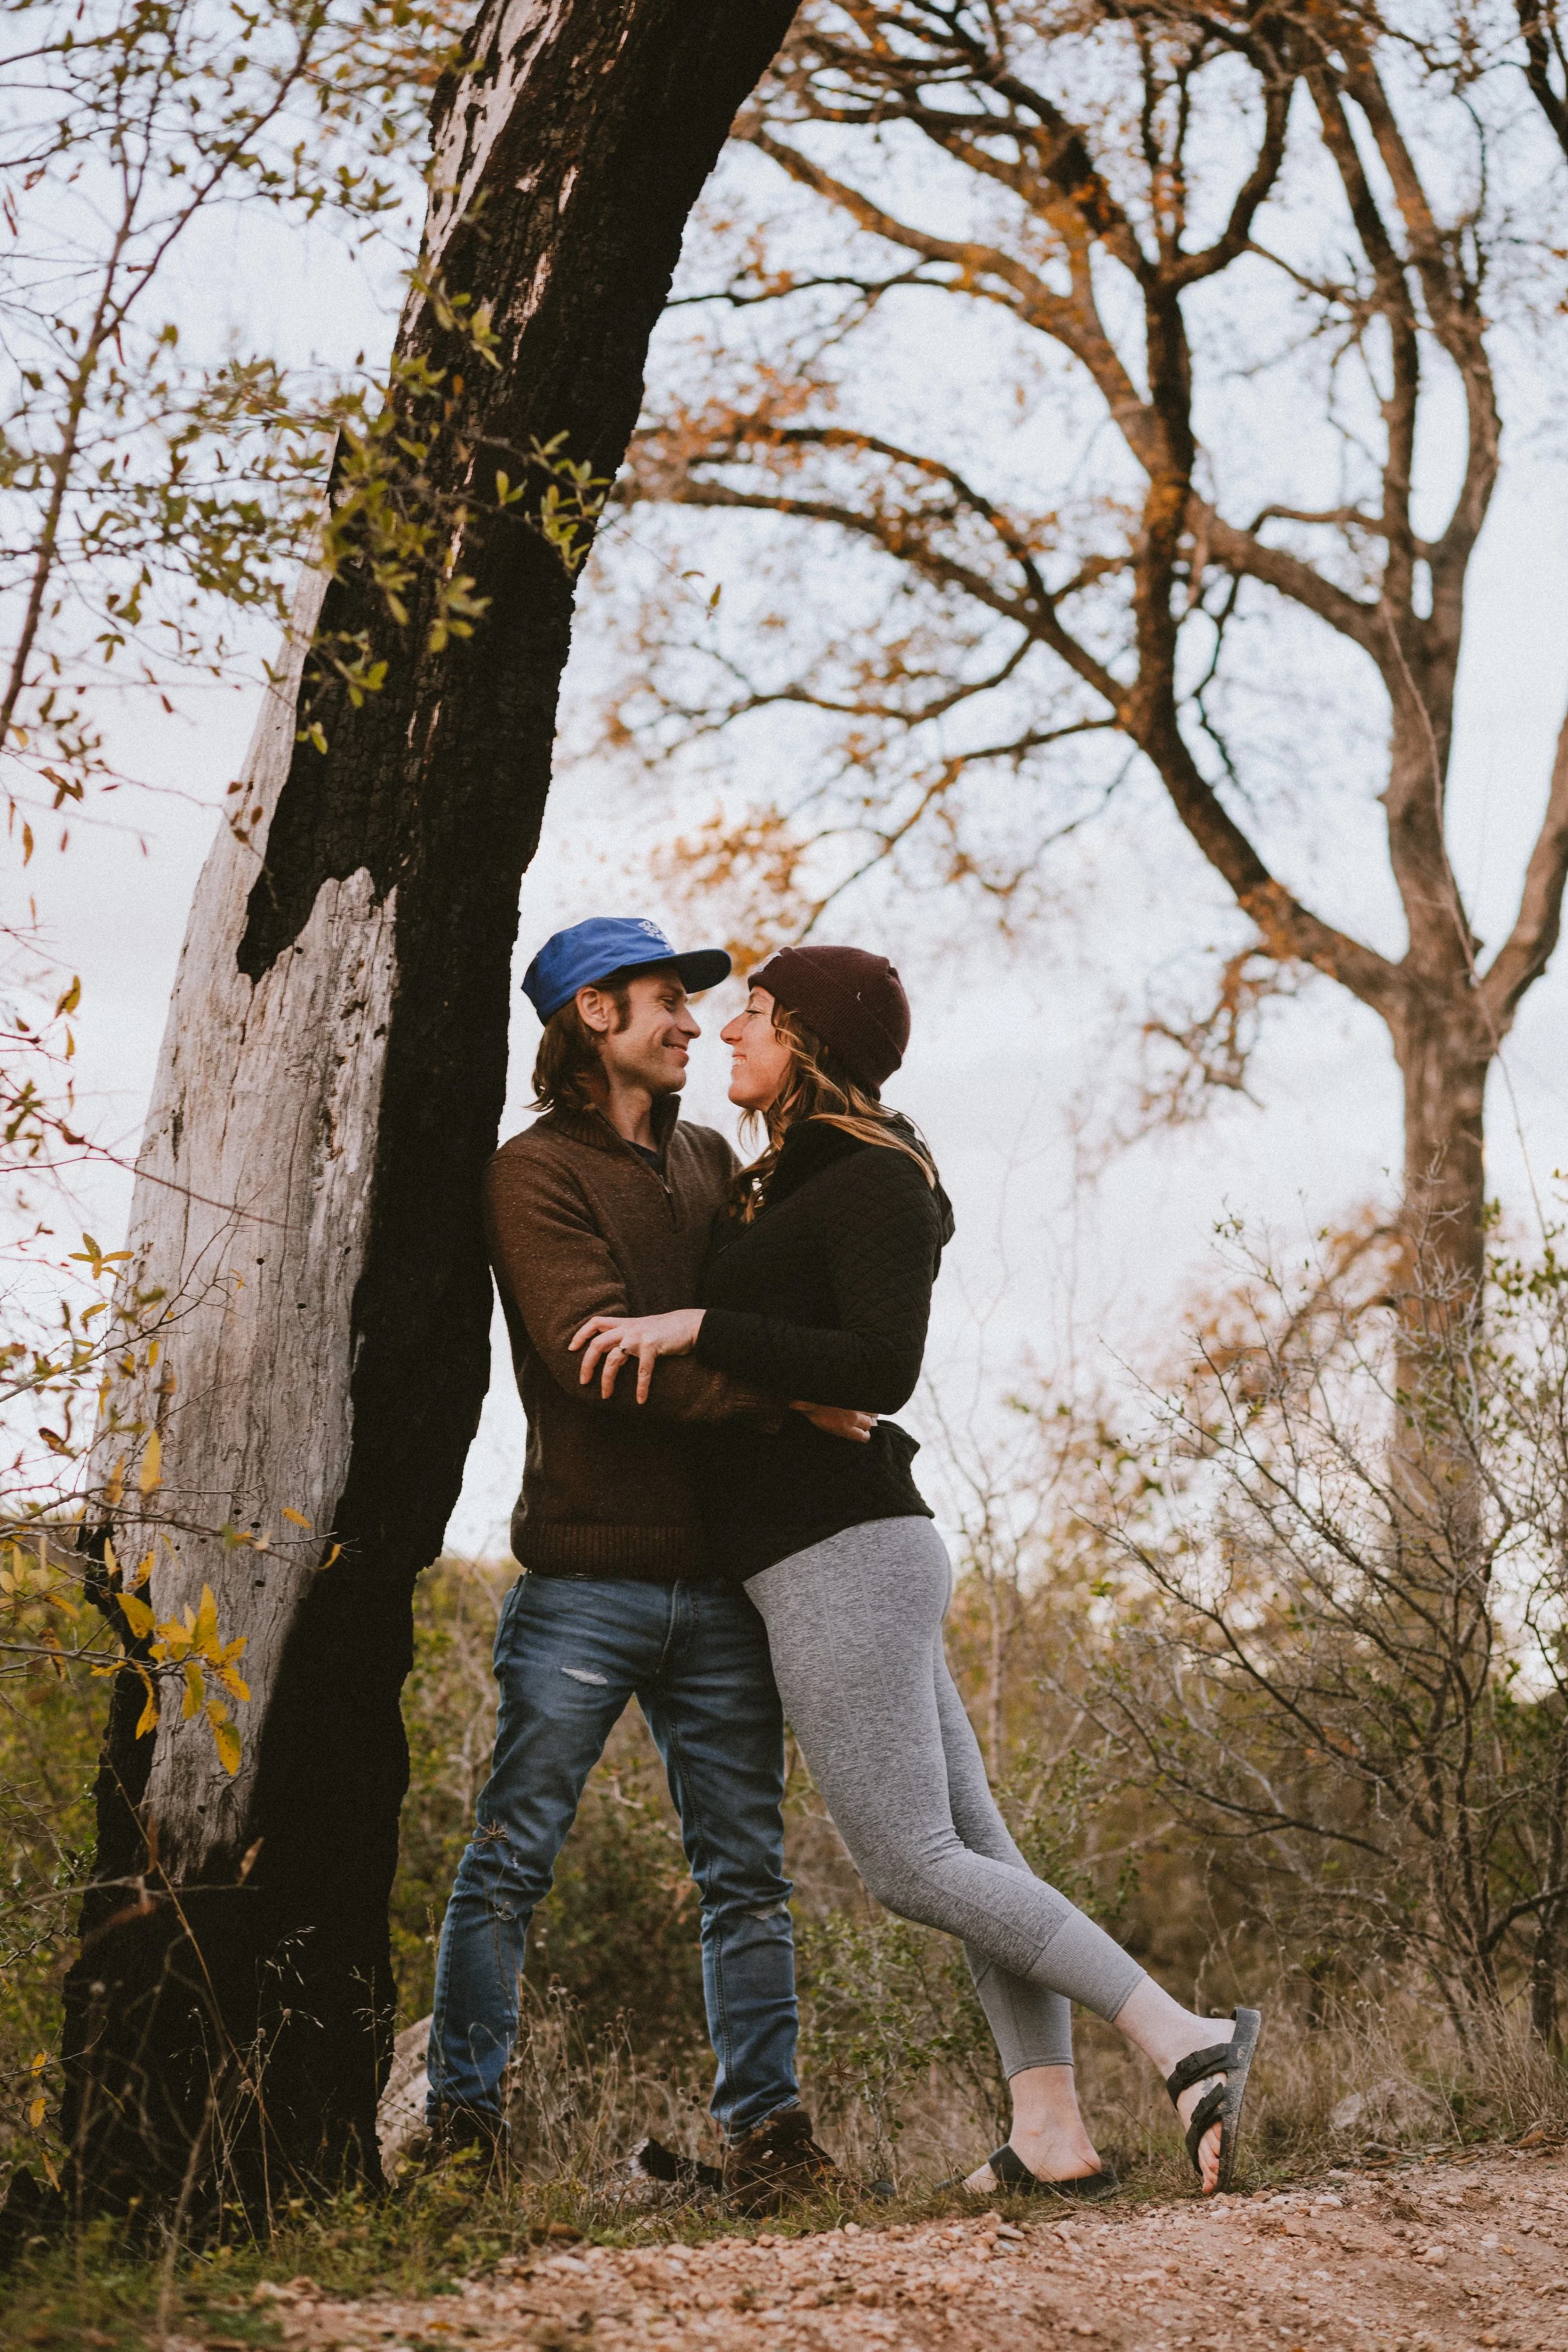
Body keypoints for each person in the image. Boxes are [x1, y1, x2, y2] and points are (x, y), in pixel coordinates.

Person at [571, 944, 1263, 2199]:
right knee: (971, 1847)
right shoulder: (785, 1175)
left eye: (759, 1015)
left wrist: (700, 1327)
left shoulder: (870, 1177)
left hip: (841, 1551)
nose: (731, 1032)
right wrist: (776, 1370)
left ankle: (1180, 2038)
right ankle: (1050, 2133)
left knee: (909, 1864)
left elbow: (878, 1365)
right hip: (834, 1548)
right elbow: (820, 1357)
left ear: (813, 1042)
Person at [425, 917, 863, 2206]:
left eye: (692, 1005)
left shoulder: (710, 1156)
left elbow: (750, 1321)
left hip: (724, 1581)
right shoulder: (531, 1175)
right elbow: (597, 1360)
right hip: (582, 1581)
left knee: (746, 1872)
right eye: (667, 1002)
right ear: (593, 1015)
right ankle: (461, 2136)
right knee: (509, 1860)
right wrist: (783, 1399)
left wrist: (794, 1356)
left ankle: (772, 2143)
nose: (691, 1024)